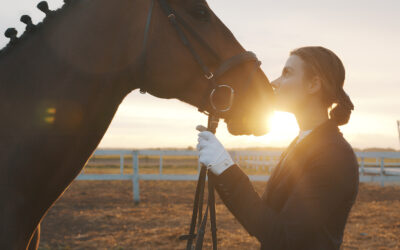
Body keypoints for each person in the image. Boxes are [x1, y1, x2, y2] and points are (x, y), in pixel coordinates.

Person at [196, 46, 359, 250]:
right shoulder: (304, 142)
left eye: (287, 73)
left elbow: (283, 237)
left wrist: (226, 168)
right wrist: (221, 171)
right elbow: (263, 218)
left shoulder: (334, 156)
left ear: (313, 84)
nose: (274, 83)